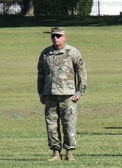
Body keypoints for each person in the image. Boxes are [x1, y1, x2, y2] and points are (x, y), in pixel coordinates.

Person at [37, 27, 87, 160]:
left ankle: (70, 152)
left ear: (65, 37)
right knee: (51, 125)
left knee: (69, 124)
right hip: (50, 94)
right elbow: (41, 74)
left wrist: (79, 92)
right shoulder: (46, 54)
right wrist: (41, 93)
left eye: (58, 36)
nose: (55, 38)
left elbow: (81, 73)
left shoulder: (73, 53)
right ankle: (55, 152)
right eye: (53, 36)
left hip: (68, 95)